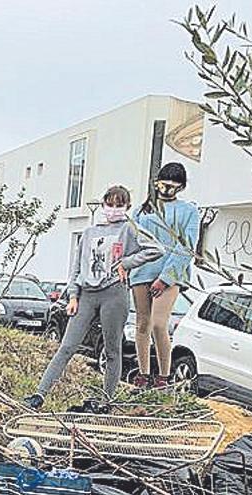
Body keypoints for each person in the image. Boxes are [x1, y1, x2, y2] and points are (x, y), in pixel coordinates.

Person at [24, 186, 162, 412]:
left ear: (127, 207)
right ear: (103, 205)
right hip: (87, 294)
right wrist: (73, 295)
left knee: (112, 350)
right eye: (110, 204)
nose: (113, 209)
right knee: (67, 346)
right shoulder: (89, 233)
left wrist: (127, 263)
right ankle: (39, 395)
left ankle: (106, 401)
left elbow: (156, 249)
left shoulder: (129, 229)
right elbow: (77, 267)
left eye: (119, 205)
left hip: (114, 294)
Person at [130, 162, 199, 389]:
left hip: (171, 274)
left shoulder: (189, 211)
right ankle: (142, 374)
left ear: (180, 187)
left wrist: (166, 278)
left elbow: (187, 247)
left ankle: (163, 375)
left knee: (159, 324)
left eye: (173, 185)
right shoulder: (141, 211)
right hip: (141, 271)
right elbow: (133, 242)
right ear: (156, 183)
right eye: (164, 184)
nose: (167, 189)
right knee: (142, 324)